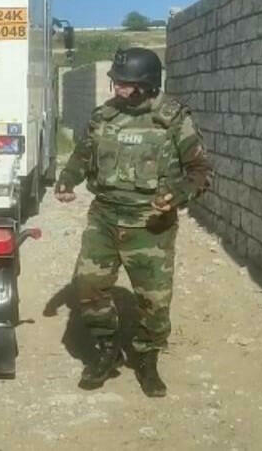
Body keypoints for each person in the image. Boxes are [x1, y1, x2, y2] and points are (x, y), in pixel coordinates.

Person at [54, 47, 212, 397]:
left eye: (125, 84)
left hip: (150, 225)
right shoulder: (104, 116)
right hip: (105, 218)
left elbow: (200, 172)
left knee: (154, 301)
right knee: (88, 285)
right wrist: (67, 180)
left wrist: (177, 196)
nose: (119, 89)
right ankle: (106, 349)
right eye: (117, 82)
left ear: (146, 85)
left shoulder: (173, 118)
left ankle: (146, 359)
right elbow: (83, 155)